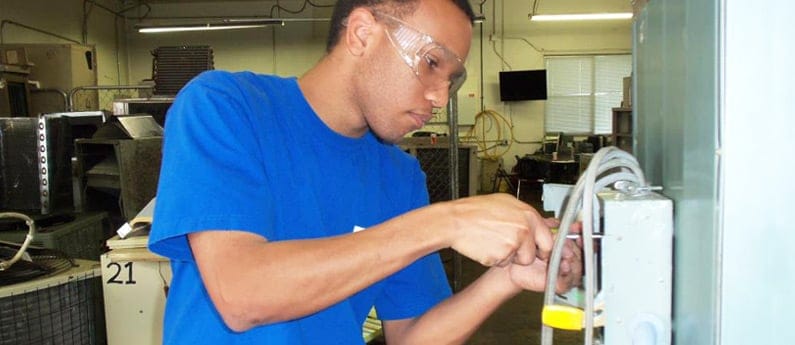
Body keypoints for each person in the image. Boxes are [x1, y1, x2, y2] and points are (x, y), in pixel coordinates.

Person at [148, 0, 582, 343]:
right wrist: (445, 221)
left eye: (453, 80)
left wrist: (508, 277)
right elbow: (242, 295)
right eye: (432, 63)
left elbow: (411, 334)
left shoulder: (399, 176)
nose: (440, 97)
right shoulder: (227, 106)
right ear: (361, 34)